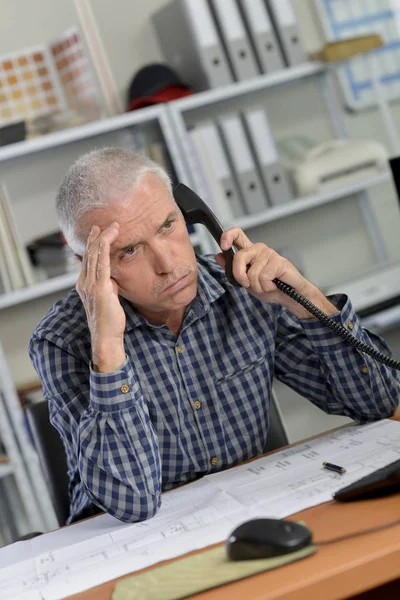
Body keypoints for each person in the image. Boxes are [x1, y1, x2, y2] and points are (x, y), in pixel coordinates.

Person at [29, 148, 400, 524]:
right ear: (90, 266)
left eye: (167, 226)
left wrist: (305, 299)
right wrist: (107, 350)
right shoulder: (60, 341)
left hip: (251, 515)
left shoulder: (242, 288)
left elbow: (380, 403)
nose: (168, 265)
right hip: (124, 545)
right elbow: (133, 502)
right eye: (128, 251)